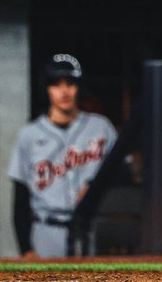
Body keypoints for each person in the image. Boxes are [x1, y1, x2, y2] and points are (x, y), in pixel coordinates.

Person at [8, 55, 117, 258]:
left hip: (92, 230)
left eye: (70, 83)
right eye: (56, 84)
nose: (64, 90)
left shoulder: (101, 128)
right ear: (47, 89)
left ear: (79, 88)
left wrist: (95, 185)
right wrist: (25, 249)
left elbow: (126, 176)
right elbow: (20, 198)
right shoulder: (29, 135)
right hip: (46, 231)